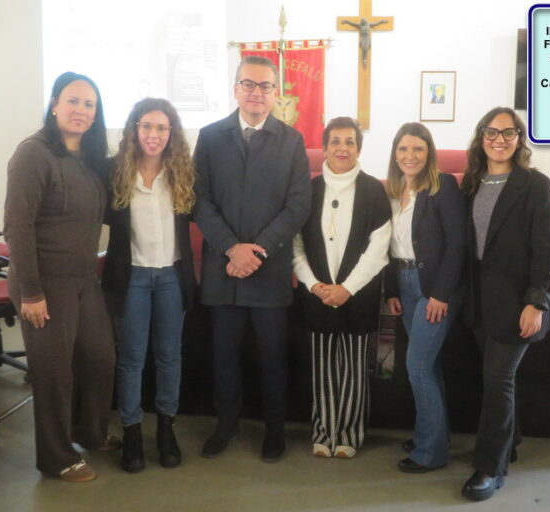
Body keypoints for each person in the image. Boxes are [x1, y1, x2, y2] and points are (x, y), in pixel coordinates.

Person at [193, 56, 311, 462]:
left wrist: (256, 251)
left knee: (272, 358)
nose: (256, 92)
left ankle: (274, 431)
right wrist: (232, 248)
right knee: (224, 358)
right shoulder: (210, 137)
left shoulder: (292, 141)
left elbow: (298, 205)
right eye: (248, 84)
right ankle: (225, 425)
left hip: (268, 270)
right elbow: (200, 201)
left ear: (276, 93)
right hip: (223, 270)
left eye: (265, 86)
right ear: (235, 89)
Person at [3, 71, 119, 482]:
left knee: (100, 358)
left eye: (89, 104)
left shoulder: (89, 159)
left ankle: (90, 432)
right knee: (53, 373)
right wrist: (31, 293)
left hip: (84, 280)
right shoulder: (33, 154)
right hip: (44, 284)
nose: (81, 110)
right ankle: (56, 458)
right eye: (73, 101)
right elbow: (17, 227)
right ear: (54, 104)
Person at [460, 107, 550, 501]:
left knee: (498, 380)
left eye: (508, 132)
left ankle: (490, 467)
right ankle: (508, 443)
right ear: (481, 136)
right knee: (498, 379)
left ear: (519, 139)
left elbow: (545, 248)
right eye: (491, 132)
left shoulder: (536, 185)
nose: (498, 140)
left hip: (517, 302)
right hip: (478, 302)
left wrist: (537, 301)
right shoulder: (471, 183)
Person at [101, 98, 196, 473]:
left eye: (161, 128)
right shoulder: (114, 172)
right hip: (132, 279)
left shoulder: (182, 172)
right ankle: (132, 432)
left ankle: (166, 430)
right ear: (134, 130)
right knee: (131, 360)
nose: (153, 135)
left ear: (171, 133)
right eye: (146, 127)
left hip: (172, 276)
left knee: (169, 357)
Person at [293, 117, 391, 459]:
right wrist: (313, 284)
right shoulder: (308, 190)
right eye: (335, 141)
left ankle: (348, 434)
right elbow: (296, 245)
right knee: (321, 368)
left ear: (359, 148)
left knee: (353, 370)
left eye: (349, 142)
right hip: (317, 293)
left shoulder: (373, 190)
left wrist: (347, 288)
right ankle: (323, 432)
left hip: (358, 294)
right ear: (324, 147)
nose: (342, 148)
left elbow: (379, 249)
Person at [383, 123, 465, 473]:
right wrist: (392, 290)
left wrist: (441, 295)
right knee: (426, 367)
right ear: (395, 153)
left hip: (433, 287)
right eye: (403, 148)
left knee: (417, 366)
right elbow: (387, 245)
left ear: (429, 153)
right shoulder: (392, 189)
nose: (410, 156)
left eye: (418, 148)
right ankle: (431, 436)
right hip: (404, 283)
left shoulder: (443, 186)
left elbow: (457, 244)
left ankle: (431, 453)